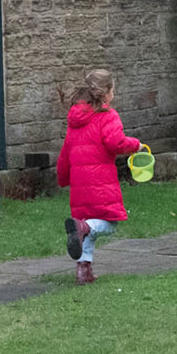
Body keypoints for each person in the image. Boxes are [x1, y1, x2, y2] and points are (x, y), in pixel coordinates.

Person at [56, 68, 144, 285]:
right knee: (108, 224)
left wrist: (63, 177)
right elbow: (116, 142)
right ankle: (85, 229)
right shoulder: (108, 116)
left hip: (79, 183)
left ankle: (83, 271)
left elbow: (66, 151)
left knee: (84, 225)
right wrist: (137, 146)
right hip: (100, 180)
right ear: (106, 93)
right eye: (113, 90)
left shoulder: (75, 119)